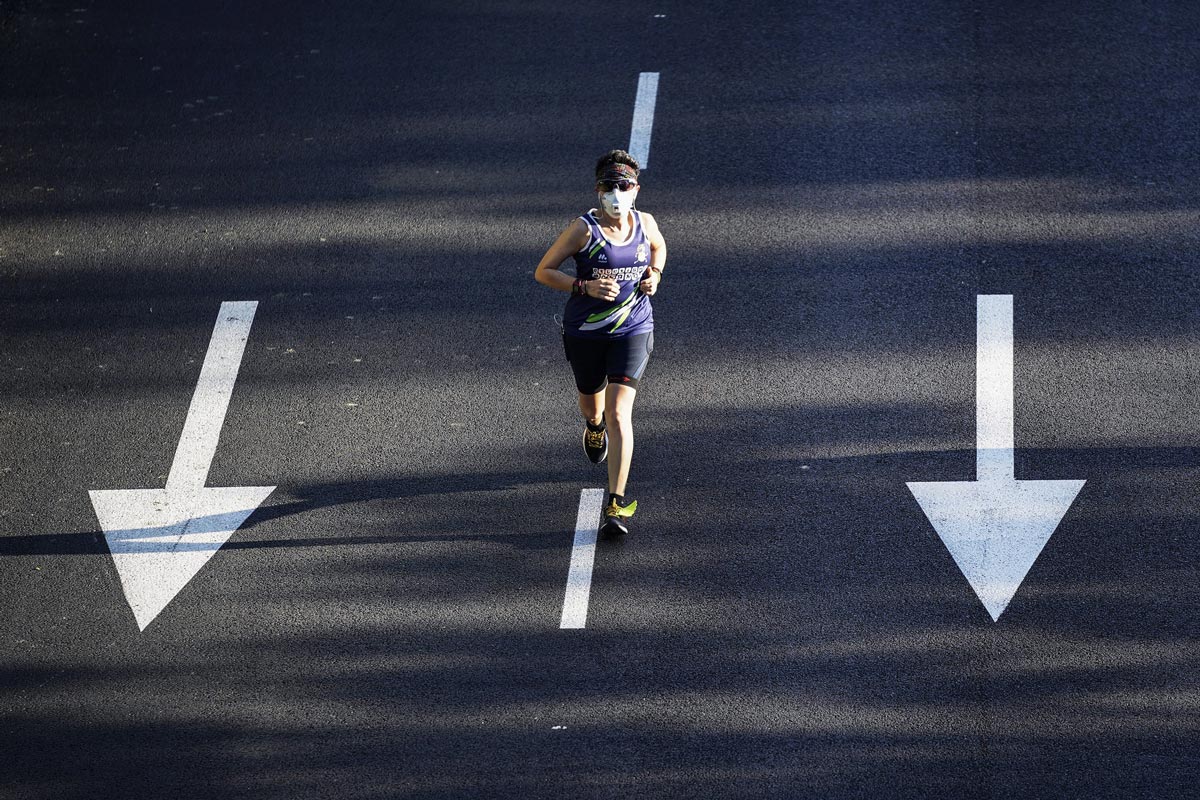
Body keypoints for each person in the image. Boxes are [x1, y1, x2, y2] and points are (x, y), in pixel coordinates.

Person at [534, 149, 666, 535]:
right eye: (609, 186)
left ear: (636, 190)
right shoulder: (583, 229)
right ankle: (593, 428)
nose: (616, 193)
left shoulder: (646, 223)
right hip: (586, 333)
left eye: (623, 186)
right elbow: (544, 271)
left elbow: (658, 247)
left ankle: (616, 503)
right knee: (594, 408)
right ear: (597, 190)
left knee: (619, 412)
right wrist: (583, 285)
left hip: (634, 328)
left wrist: (655, 273)